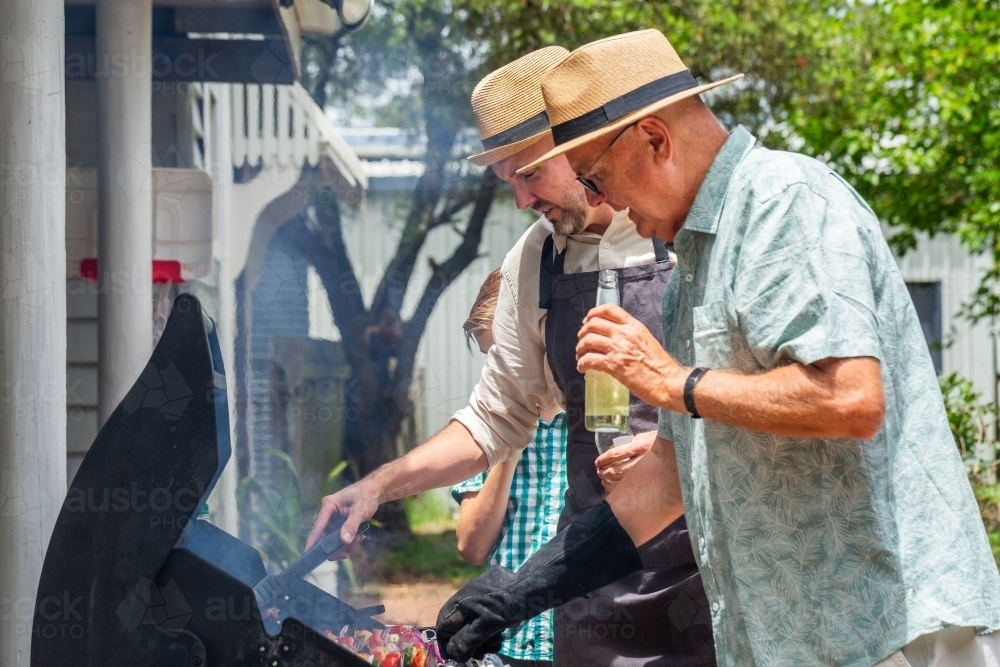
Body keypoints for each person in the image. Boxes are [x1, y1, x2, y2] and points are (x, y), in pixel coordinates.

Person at [488, 28, 1000, 667]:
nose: (599, 201)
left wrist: (675, 382)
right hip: (800, 640)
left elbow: (850, 396)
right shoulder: (691, 268)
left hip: (890, 630)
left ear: (654, 139)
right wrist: (519, 590)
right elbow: (665, 482)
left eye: (595, 177)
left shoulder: (782, 203)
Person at [309, 46, 716, 666]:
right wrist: (376, 487)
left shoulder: (684, 227)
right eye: (508, 182)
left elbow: (762, 394)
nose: (522, 201)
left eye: (528, 173)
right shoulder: (537, 259)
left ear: (578, 145)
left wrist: (673, 447)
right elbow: (496, 416)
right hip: (589, 586)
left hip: (710, 581)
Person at [451, 268, 567, 667]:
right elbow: (473, 545)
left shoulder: (598, 414)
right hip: (511, 643)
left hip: (580, 640)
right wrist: (510, 441)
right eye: (491, 359)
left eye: (507, 354)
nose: (502, 372)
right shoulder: (485, 422)